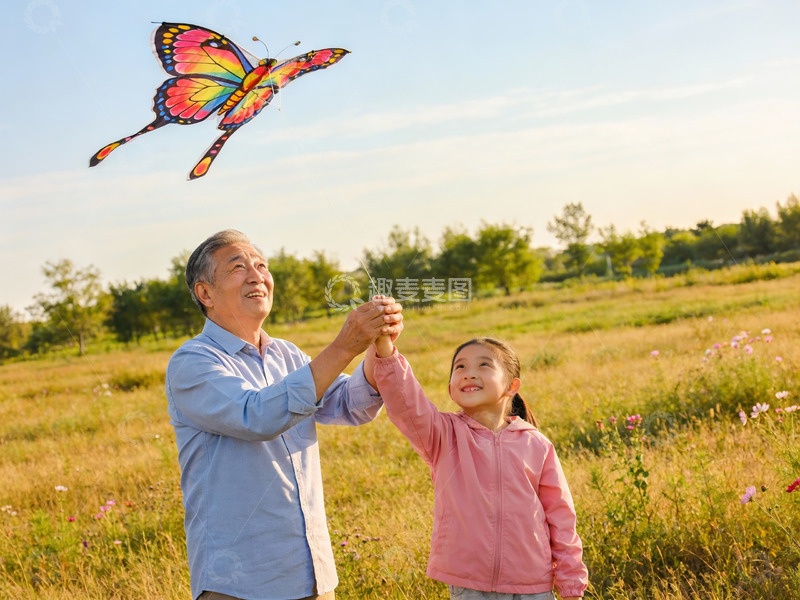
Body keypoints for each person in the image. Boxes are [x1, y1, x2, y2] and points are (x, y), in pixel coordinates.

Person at [165, 230, 403, 600]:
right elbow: (256, 416)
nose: (257, 275)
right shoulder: (193, 362)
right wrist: (343, 346)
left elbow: (349, 404)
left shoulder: (286, 355)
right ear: (205, 293)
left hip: (310, 571)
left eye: (261, 265)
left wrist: (376, 345)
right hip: (241, 580)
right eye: (238, 267)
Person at [369, 334, 589, 600]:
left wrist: (571, 584)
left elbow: (561, 517)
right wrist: (385, 348)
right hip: (469, 584)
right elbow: (406, 402)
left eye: (484, 365)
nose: (468, 374)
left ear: (511, 385)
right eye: (460, 367)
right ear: (450, 387)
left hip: (533, 583)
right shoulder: (442, 435)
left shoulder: (537, 445)